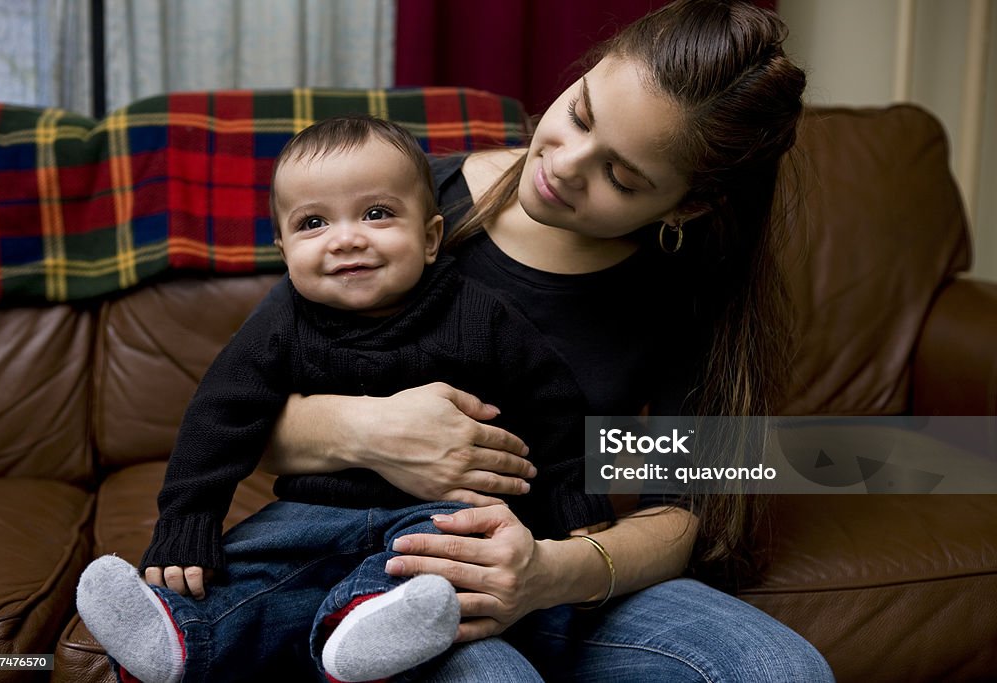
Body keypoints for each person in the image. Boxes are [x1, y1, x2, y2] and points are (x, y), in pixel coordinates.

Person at [261, 0, 837, 681]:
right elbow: (236, 417)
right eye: (581, 114)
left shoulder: (684, 283)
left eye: (622, 177)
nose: (565, 164)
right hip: (392, 577)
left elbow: (689, 505)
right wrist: (372, 428)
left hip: (562, 579)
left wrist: (548, 572)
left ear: (686, 205)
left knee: (784, 669)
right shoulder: (408, 210)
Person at [75, 115, 618, 683]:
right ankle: (181, 637)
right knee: (246, 564)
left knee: (451, 554)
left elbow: (553, 410)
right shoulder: (281, 322)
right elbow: (220, 416)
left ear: (431, 238)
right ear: (284, 251)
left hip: (433, 519)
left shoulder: (482, 317)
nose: (347, 237)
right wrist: (187, 521)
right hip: (312, 515)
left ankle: (366, 623)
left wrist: (577, 507)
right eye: (313, 223)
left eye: (377, 214)